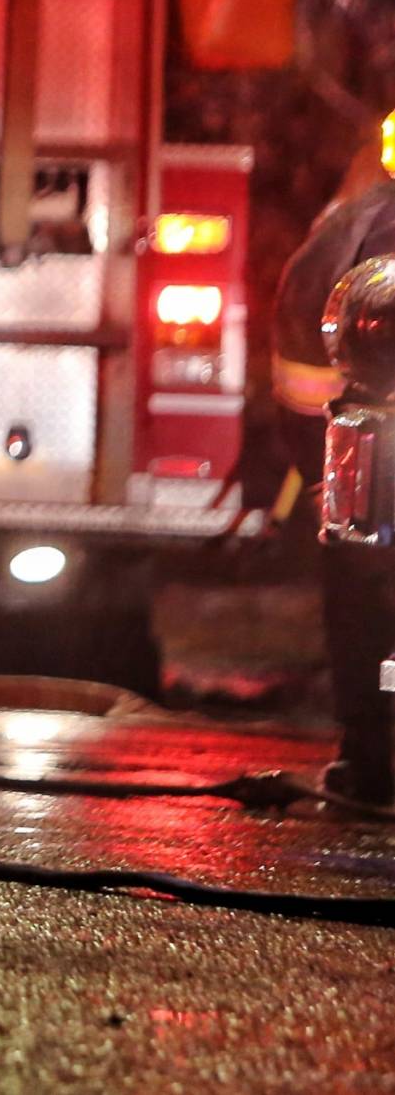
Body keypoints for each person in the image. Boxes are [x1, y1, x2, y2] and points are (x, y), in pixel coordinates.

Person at [271, 125, 395, 812]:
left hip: (358, 448)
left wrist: (322, 469)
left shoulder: (341, 234)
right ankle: (368, 754)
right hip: (361, 443)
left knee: (358, 584)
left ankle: (369, 758)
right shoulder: (347, 239)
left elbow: (295, 386)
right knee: (359, 579)